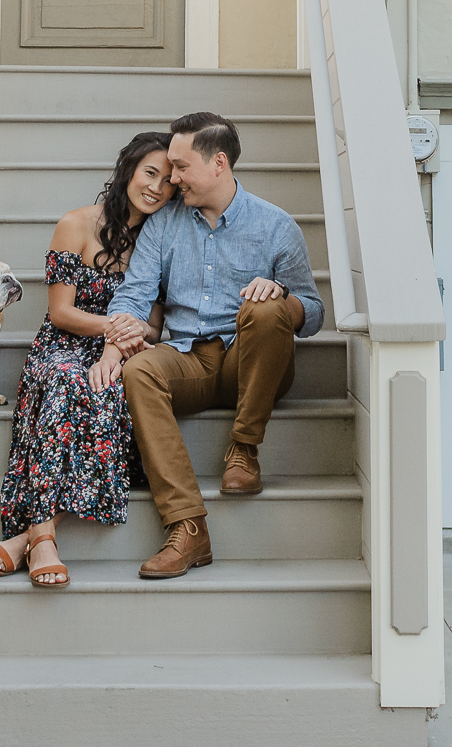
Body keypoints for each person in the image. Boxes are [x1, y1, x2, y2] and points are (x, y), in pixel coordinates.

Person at [104, 111, 324, 580]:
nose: (172, 178)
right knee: (138, 370)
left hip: (252, 362)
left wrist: (282, 297)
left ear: (218, 163)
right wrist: (123, 326)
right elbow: (135, 290)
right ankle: (188, 527)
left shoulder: (276, 226)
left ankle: (244, 450)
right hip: (188, 358)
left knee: (267, 308)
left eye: (181, 167)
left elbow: (314, 312)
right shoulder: (164, 224)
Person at [0, 130, 172, 589]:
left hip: (126, 350)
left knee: (106, 389)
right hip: (65, 342)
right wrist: (114, 327)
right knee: (66, 380)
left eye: (168, 180)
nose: (157, 187)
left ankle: (27, 540)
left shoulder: (162, 237)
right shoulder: (75, 224)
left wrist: (127, 337)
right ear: (128, 167)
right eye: (150, 173)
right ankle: (43, 539)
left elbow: (156, 324)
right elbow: (60, 312)